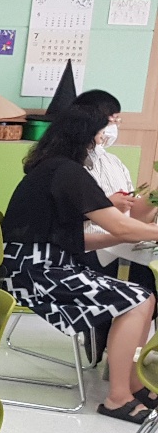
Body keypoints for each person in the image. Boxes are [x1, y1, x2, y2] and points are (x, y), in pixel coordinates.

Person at [0, 104, 158, 423]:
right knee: (139, 300)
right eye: (98, 134)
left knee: (142, 297)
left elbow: (74, 237)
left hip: (31, 266)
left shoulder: (51, 167)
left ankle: (131, 383)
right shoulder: (68, 172)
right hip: (38, 272)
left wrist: (125, 236)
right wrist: (139, 232)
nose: (100, 142)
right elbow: (121, 225)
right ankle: (117, 398)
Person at [75, 89, 157, 295]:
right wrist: (108, 205)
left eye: (116, 120)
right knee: (138, 286)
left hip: (121, 239)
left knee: (148, 272)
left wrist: (155, 197)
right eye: (110, 120)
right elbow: (67, 215)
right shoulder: (72, 164)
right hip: (88, 244)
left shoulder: (114, 162)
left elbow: (133, 213)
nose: (113, 127)